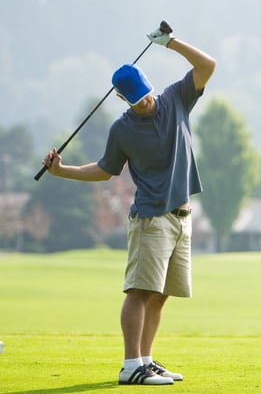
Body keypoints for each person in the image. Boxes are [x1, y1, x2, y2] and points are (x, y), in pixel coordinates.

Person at [42, 24, 216, 385]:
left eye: (147, 94)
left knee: (161, 295)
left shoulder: (175, 98)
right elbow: (105, 170)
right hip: (151, 219)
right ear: (123, 100)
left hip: (181, 217)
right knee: (139, 291)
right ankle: (130, 365)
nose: (146, 101)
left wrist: (170, 43)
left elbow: (208, 66)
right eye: (137, 99)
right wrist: (62, 171)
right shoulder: (122, 130)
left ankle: (146, 361)